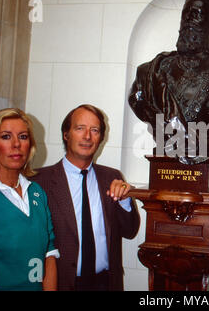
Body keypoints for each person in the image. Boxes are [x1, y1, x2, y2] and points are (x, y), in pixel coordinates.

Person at [128, 0, 209, 181]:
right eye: (185, 13)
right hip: (164, 159)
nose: (189, 19)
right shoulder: (150, 71)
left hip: (203, 164)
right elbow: (138, 101)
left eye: (197, 13)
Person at [31, 104, 140, 291]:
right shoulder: (39, 181)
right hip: (60, 284)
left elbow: (130, 231)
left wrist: (124, 199)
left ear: (101, 138)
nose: (87, 136)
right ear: (66, 134)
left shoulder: (111, 178)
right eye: (80, 128)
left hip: (106, 284)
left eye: (94, 130)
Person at [0, 108, 58, 291]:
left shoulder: (37, 192)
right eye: (6, 137)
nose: (16, 144)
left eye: (23, 137)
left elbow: (49, 253)